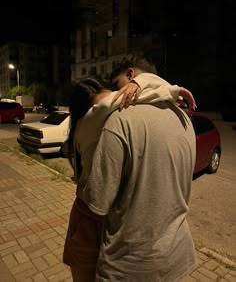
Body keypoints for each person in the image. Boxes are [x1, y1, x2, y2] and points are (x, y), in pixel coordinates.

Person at [63, 56, 197, 281]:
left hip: (130, 266)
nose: (120, 98)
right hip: (176, 256)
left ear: (131, 76)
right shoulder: (184, 119)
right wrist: (163, 87)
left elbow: (96, 205)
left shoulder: (120, 121)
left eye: (116, 87)